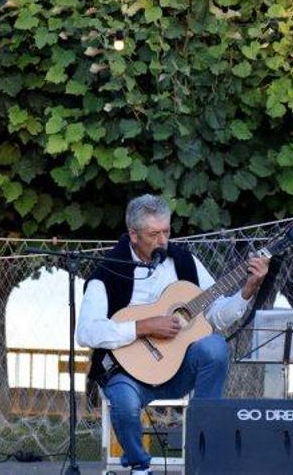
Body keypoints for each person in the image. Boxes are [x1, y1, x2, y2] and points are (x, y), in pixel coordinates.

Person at [75, 194, 269, 475]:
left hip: (177, 370)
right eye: (154, 234)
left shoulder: (185, 262)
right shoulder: (108, 270)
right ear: (133, 234)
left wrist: (247, 290)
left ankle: (204, 451)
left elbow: (215, 315)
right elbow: (86, 332)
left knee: (214, 346)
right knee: (126, 405)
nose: (163, 240)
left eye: (166, 231)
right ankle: (140, 466)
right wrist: (144, 326)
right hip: (126, 372)